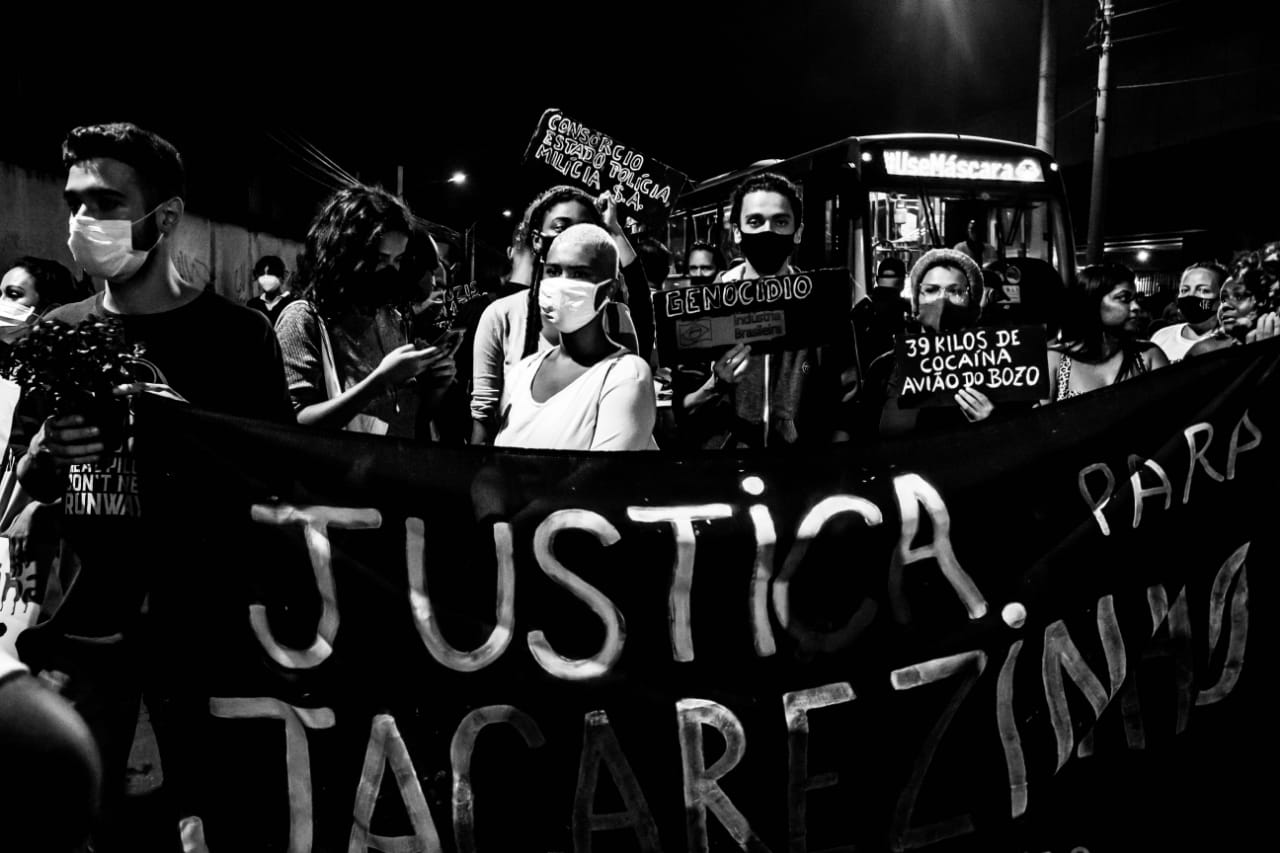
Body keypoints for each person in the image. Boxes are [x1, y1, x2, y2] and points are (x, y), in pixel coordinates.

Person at [12, 122, 293, 851]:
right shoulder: (57, 331)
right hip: (82, 633)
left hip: (204, 635)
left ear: (164, 217)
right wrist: (45, 452)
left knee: (213, 819)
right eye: (75, 201)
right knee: (89, 823)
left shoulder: (238, 338)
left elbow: (275, 483)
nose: (83, 220)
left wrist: (185, 433)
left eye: (106, 202)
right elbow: (22, 483)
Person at [674, 172, 854, 448]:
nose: (767, 232)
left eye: (780, 222)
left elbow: (847, 403)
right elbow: (683, 407)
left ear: (798, 232)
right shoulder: (705, 307)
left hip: (803, 466)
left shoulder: (821, 305)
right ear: (737, 232)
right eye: (755, 222)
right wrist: (714, 385)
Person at [469, 185, 651, 444]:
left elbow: (642, 318)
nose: (573, 237)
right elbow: (485, 420)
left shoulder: (614, 317)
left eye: (585, 228)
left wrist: (615, 232)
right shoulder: (501, 318)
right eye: (561, 227)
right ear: (537, 240)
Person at [274, 185, 457, 437]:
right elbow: (293, 424)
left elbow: (405, 420)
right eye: (380, 259)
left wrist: (435, 386)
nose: (391, 271)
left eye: (398, 260)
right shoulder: (304, 319)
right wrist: (379, 382)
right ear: (344, 255)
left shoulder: (391, 317)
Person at [877, 249, 998, 435]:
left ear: (971, 303)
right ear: (916, 300)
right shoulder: (884, 368)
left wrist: (993, 425)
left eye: (955, 291)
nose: (942, 300)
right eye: (931, 290)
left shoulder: (994, 369)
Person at [1046, 263, 1167, 399]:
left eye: (1136, 299)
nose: (1136, 307)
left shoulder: (1148, 356)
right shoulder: (1056, 360)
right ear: (1092, 302)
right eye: (1124, 298)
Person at [1150, 261, 1228, 362]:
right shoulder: (1161, 337)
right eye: (1185, 290)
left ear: (1222, 298)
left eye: (1203, 290)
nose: (1191, 295)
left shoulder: (1228, 343)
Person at [1186, 269, 1272, 357]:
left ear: (1261, 300)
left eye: (1238, 297)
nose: (1225, 305)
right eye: (1223, 299)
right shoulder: (1203, 350)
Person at [244, 254, 297, 326]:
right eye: (262, 274)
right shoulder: (253, 304)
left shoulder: (290, 305)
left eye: (271, 274)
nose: (266, 279)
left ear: (281, 277)